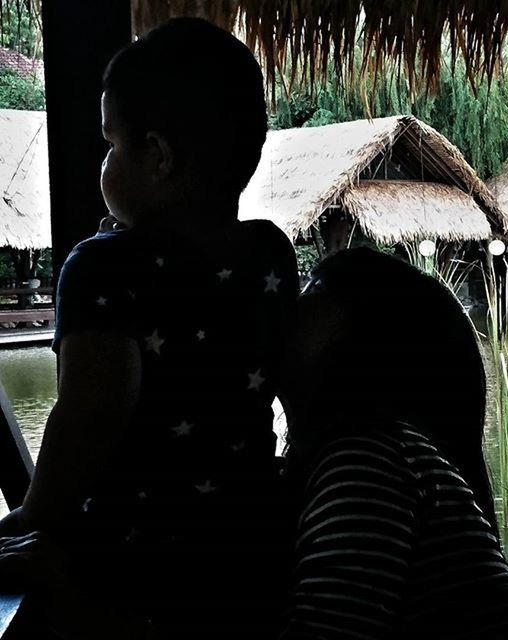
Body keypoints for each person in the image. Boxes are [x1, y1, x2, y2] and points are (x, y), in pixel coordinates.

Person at [0, 18, 297, 639]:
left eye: (112, 144)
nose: (103, 163)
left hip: (132, 572)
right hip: (255, 562)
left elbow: (90, 413)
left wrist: (33, 514)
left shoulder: (101, 269)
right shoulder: (269, 254)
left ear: (157, 157)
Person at [278, 248, 508, 640]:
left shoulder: (369, 460)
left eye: (314, 290)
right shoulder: (363, 457)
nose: (289, 307)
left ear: (368, 341)